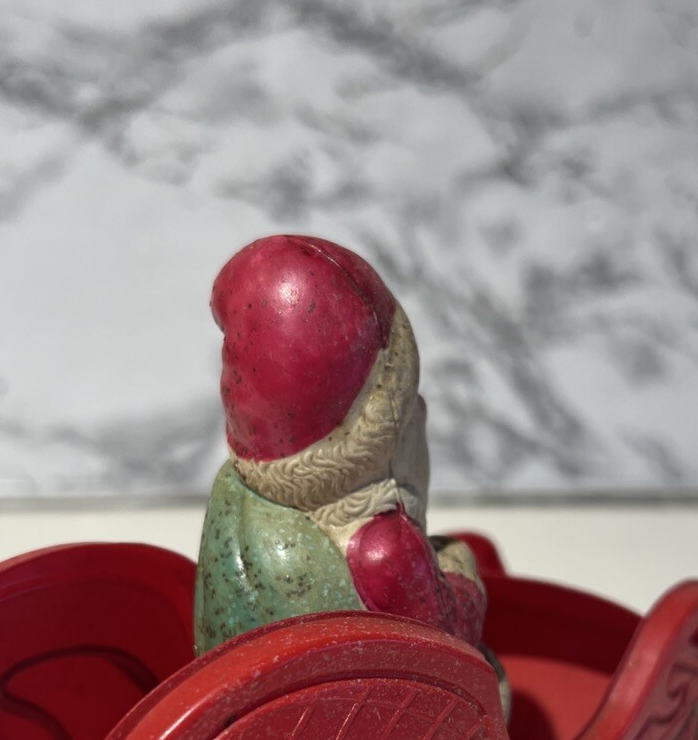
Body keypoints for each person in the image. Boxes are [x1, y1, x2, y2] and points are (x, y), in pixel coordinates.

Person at [194, 234, 489, 660]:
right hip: (380, 696)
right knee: (493, 678)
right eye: (409, 407)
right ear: (375, 434)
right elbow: (452, 635)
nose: (421, 414)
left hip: (245, 686)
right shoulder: (386, 548)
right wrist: (462, 569)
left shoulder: (233, 495)